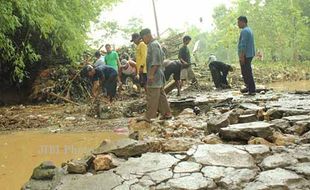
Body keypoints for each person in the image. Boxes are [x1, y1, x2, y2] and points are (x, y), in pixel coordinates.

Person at [138, 28, 172, 122]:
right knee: (161, 95)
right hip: (158, 74)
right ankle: (167, 113)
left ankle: (149, 117)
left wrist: (150, 75)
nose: (143, 41)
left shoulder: (153, 45)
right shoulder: (154, 44)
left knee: (152, 96)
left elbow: (156, 62)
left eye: (143, 38)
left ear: (147, 36)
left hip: (155, 74)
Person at [238, 16, 256, 95]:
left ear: (243, 22)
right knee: (247, 71)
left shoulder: (244, 31)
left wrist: (242, 56)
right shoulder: (249, 30)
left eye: (238, 22)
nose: (237, 24)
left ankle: (251, 89)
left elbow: (243, 44)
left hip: (246, 54)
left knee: (246, 72)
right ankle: (249, 88)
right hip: (250, 54)